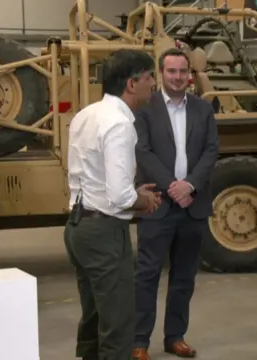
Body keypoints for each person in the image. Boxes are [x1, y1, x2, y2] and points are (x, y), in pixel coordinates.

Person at [63, 49, 161, 360]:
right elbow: (120, 198)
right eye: (149, 78)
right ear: (131, 84)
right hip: (104, 231)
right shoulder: (120, 124)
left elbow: (94, 176)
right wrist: (142, 200)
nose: (153, 85)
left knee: (94, 315)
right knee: (118, 322)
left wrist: (130, 192)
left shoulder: (86, 114)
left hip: (79, 226)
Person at [131, 47, 219, 360]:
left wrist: (190, 185)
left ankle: (175, 337)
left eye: (183, 71)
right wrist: (173, 187)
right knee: (147, 274)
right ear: (160, 74)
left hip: (193, 207)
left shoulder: (202, 109)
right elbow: (143, 152)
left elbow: (211, 151)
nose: (178, 77)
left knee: (184, 277)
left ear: (190, 75)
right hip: (158, 205)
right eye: (171, 71)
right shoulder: (145, 108)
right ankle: (139, 341)